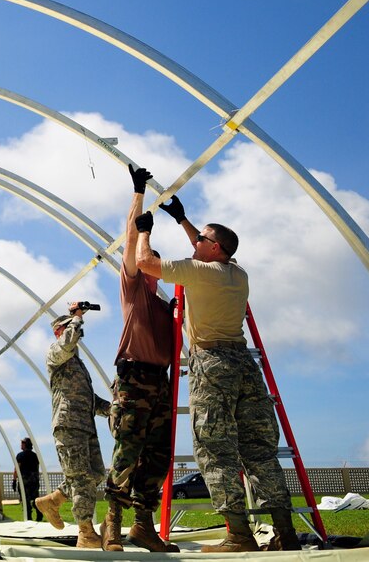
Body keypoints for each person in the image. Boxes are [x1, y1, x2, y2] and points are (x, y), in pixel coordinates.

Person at [135, 197, 299, 552]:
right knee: (260, 452)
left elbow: (144, 263)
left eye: (200, 241)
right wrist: (183, 220)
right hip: (244, 365)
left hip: (212, 365)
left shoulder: (199, 271)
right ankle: (285, 533)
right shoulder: (236, 272)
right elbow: (208, 247)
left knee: (214, 450)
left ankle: (239, 536)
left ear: (214, 249)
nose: (194, 244)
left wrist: (144, 232)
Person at [99, 166, 179, 553]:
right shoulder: (134, 290)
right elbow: (131, 241)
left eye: (154, 265)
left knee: (159, 457)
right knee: (127, 453)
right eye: (147, 262)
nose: (149, 267)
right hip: (133, 380)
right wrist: (138, 193)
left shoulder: (166, 305)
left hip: (159, 383)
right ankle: (111, 524)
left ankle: (143, 526)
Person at [33, 304, 110, 549]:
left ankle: (53, 501)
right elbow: (67, 342)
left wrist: (113, 408)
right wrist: (76, 318)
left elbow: (87, 398)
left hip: (84, 426)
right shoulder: (56, 352)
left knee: (95, 474)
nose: (77, 333)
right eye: (72, 329)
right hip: (68, 426)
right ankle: (85, 533)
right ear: (60, 332)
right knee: (81, 479)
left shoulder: (77, 363)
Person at [14, 438, 42, 522]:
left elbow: (17, 469)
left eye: (22, 443)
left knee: (25, 500)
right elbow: (37, 468)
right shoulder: (35, 455)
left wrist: (14, 480)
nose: (21, 445)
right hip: (34, 480)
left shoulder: (20, 455)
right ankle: (39, 514)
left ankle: (29, 517)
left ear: (25, 445)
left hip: (24, 480)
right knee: (35, 498)